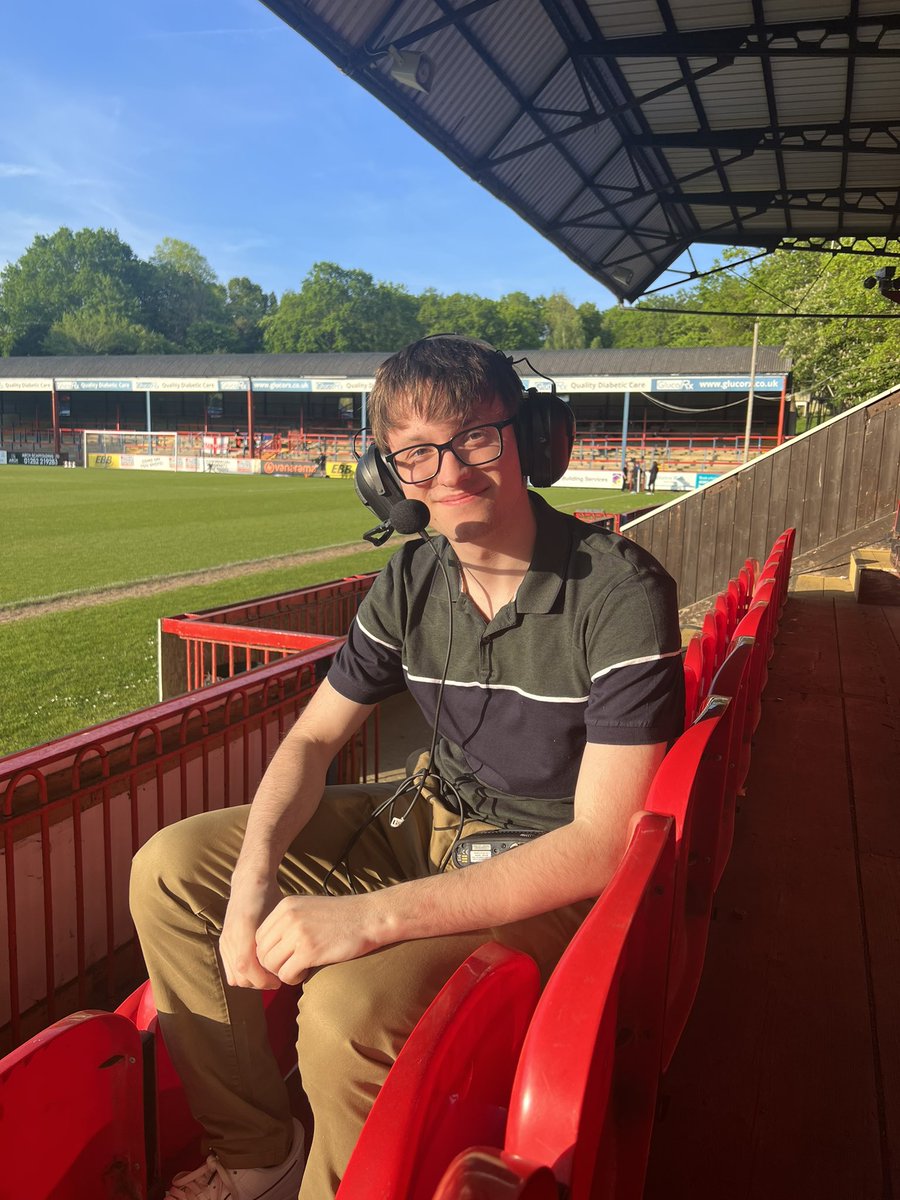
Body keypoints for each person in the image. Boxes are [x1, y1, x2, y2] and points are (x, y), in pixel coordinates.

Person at [129, 336, 684, 1200]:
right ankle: (256, 1155)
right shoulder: (410, 578)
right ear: (388, 478)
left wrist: (369, 920)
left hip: (548, 871)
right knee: (172, 871)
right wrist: (251, 884)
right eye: (417, 452)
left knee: (347, 1011)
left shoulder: (619, 594)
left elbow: (602, 844)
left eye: (477, 438)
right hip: (425, 821)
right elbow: (312, 741)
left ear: (533, 440)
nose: (451, 471)